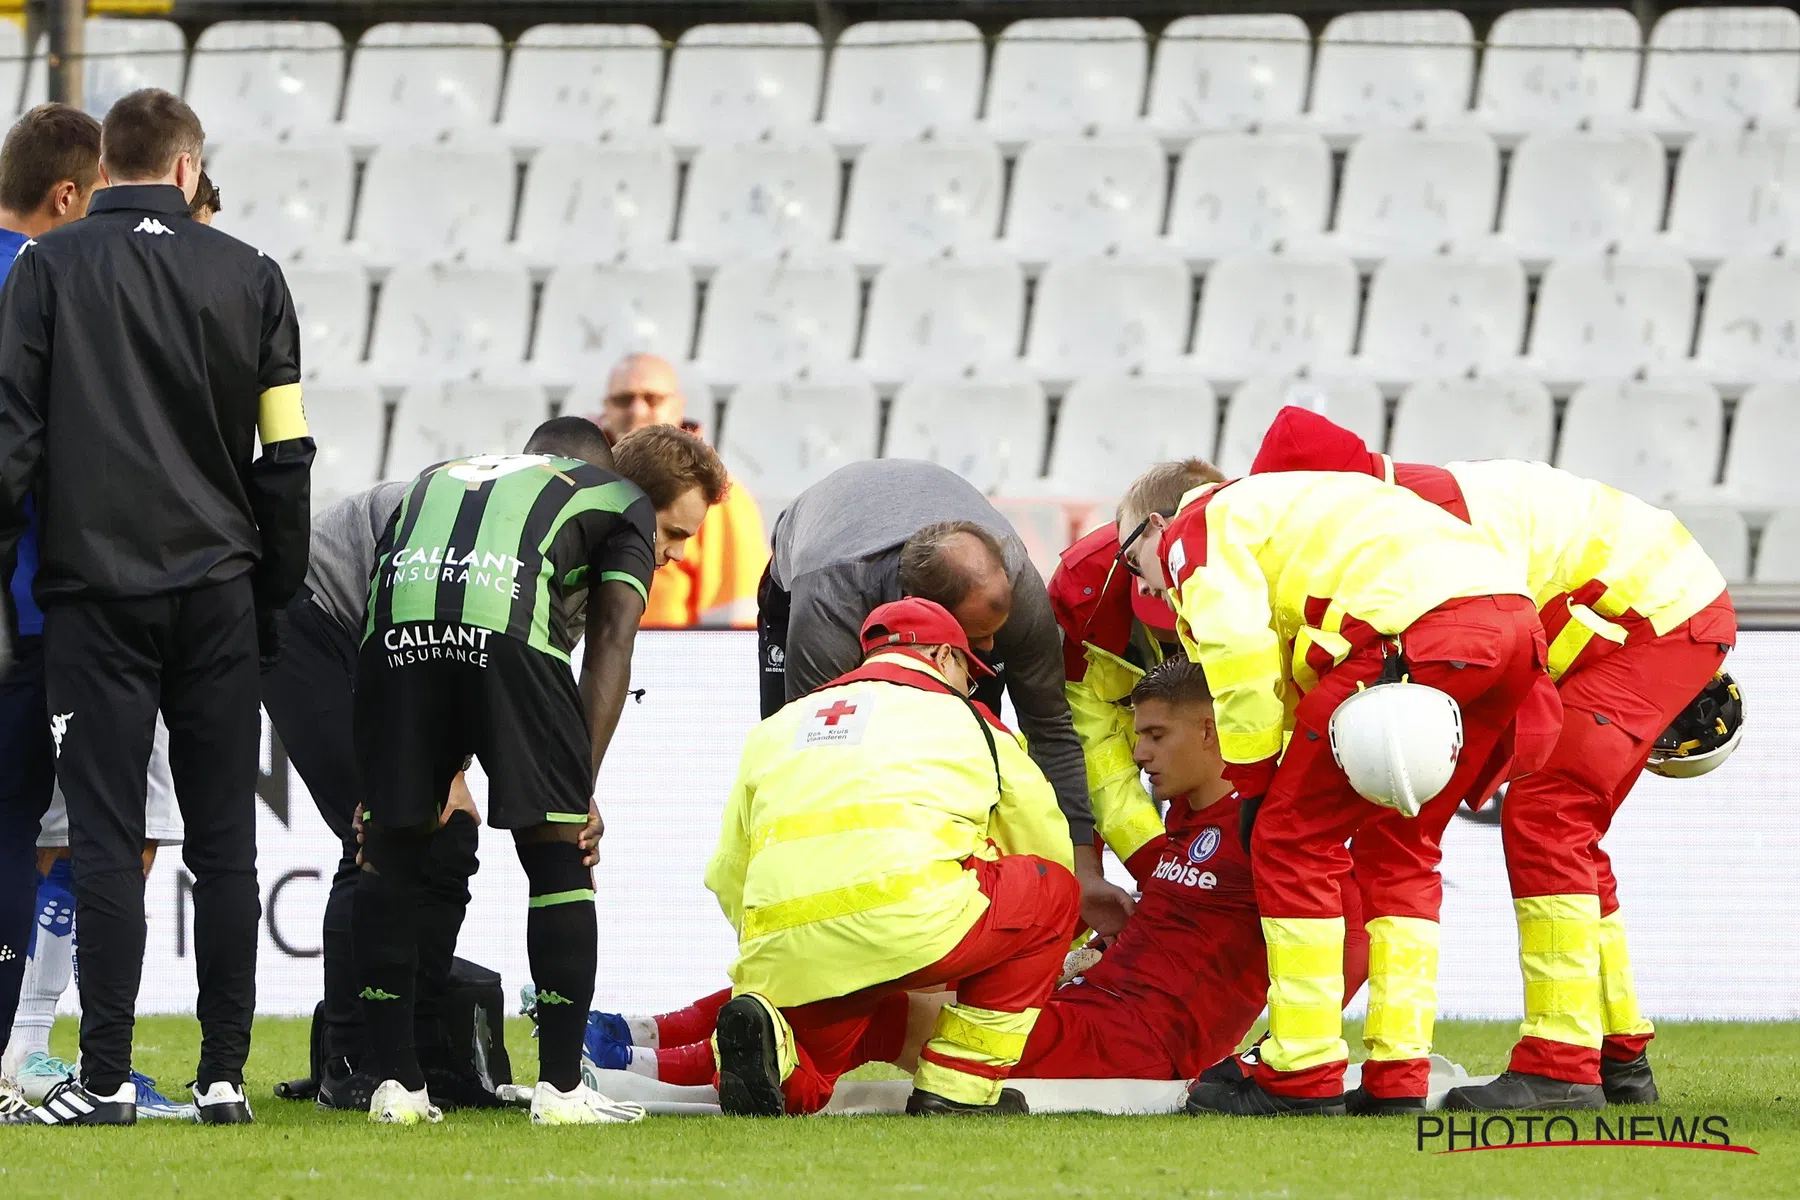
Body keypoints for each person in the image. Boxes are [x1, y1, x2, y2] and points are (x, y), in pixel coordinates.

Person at [1249, 406, 1738, 1111]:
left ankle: (1562, 1066)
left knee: (1547, 815)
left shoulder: (1410, 521)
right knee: (1457, 830)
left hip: (1651, 619)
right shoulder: (1382, 509)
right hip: (1642, 610)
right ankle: (1614, 1055)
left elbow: (1501, 654)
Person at [573, 659, 1369, 1091]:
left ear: (1213, 729)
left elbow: (1353, 933)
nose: (1140, 753)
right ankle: (639, 1038)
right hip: (1083, 1005)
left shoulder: (1270, 828)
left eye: (1157, 736)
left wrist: (1288, 1048)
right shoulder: (1187, 828)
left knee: (890, 993)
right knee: (875, 978)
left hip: (1140, 1043)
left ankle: (644, 1069)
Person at [0, 89, 311, 1127]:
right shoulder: (252, 275)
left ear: (106, 166)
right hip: (218, 594)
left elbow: (12, 446)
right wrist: (271, 597)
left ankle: (101, 1078)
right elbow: (288, 453)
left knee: (100, 836)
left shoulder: (46, 270)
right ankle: (224, 1076)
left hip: (93, 601)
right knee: (224, 840)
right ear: (186, 171)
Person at [1116, 462, 1550, 1117]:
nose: (1143, 582)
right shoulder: (1289, 509)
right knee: (1402, 849)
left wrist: (1256, 788)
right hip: (1512, 624)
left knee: (1291, 841)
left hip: (1407, 638)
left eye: (1131, 561)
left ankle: (1303, 1067)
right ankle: (1397, 1070)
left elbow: (1239, 661)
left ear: (1155, 527)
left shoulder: (1195, 533)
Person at [353, 424, 727, 1127]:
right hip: (507, 633)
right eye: (673, 533)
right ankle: (560, 1090)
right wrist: (576, 788)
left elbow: (401, 587)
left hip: (393, 636)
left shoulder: (442, 468)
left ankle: (397, 1088)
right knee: (558, 852)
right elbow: (611, 646)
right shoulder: (620, 502)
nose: (670, 553)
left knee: (392, 850)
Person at [261, 419, 614, 1112]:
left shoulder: (551, 549)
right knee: (380, 831)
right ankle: (354, 1060)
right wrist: (436, 766)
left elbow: (519, 692)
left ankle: (412, 1051)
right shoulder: (449, 510)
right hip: (312, 624)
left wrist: (572, 790)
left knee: (445, 836)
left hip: (389, 651)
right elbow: (400, 635)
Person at [707, 598, 1080, 1116]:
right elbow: (1044, 848)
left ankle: (781, 1061)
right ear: (945, 656)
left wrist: (779, 945)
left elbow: (728, 871)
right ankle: (959, 1089)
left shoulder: (778, 727)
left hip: (784, 943)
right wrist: (1060, 947)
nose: (968, 686)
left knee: (807, 1082)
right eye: (967, 674)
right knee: (1056, 892)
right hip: (914, 925)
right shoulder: (974, 723)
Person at [759, 459, 1134, 938]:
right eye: (977, 638)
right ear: (925, 623)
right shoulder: (832, 601)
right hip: (818, 566)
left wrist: (1082, 868)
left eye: (994, 632)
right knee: (803, 756)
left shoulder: (1014, 588)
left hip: (919, 573)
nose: (993, 650)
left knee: (976, 749)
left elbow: (1051, 730)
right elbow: (821, 763)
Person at [0, 103, 101, 1125]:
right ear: (67, 196)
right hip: (30, 613)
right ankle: (10, 1067)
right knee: (18, 830)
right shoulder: (43, 287)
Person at [591, 353, 766, 629]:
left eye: (652, 398)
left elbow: (733, 618)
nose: (636, 410)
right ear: (606, 409)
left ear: (678, 406)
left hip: (675, 664)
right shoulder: (582, 486)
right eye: (623, 399)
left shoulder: (719, 498)